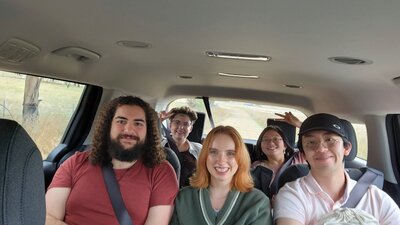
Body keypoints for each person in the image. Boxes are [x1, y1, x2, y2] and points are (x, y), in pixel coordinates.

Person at [45, 96, 179, 225]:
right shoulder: (75, 163)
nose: (129, 129)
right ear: (108, 126)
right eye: (121, 121)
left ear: (148, 131)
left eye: (138, 123)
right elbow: (47, 217)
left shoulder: (161, 173)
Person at [274, 113, 400, 225]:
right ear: (303, 154)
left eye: (330, 140)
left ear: (347, 148)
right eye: (311, 142)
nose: (321, 149)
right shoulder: (292, 195)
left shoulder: (375, 198)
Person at [170, 126, 273, 225]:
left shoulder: (258, 202)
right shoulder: (183, 197)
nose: (221, 160)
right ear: (204, 157)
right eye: (213, 152)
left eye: (230, 153)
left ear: (241, 158)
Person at [251, 125, 306, 200]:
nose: (270, 142)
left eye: (275, 139)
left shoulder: (298, 158)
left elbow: (313, 140)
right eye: (266, 139)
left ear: (285, 145)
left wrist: (299, 124)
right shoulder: (256, 166)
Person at [160, 106, 202, 187]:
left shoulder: (199, 149)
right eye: (177, 122)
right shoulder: (159, 144)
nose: (181, 127)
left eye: (186, 124)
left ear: (190, 129)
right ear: (170, 125)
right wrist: (159, 121)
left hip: (187, 194)